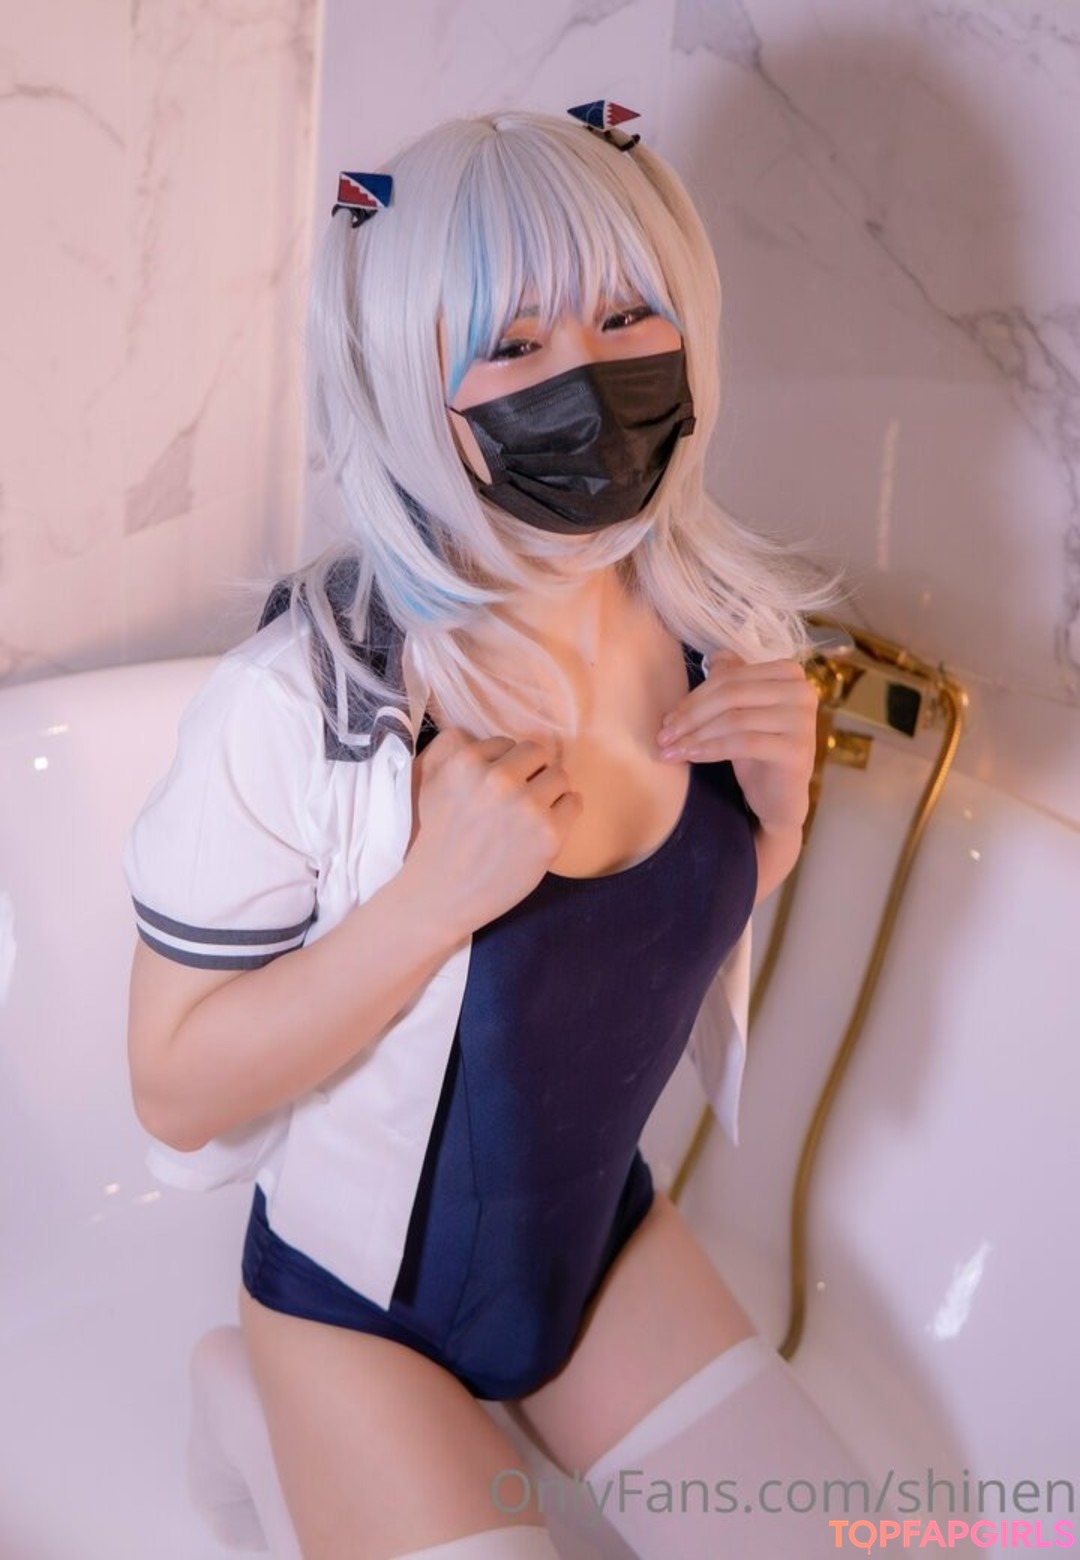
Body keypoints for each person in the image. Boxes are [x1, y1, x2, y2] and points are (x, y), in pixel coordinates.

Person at [124, 105, 867, 1560]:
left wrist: (776, 817)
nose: (584, 376)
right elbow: (172, 1091)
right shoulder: (303, 704)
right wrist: (422, 908)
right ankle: (257, 1412)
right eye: (514, 344)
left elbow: (647, 947)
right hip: (353, 1317)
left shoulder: (724, 634)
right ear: (408, 383)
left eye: (624, 316)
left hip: (598, 1260)